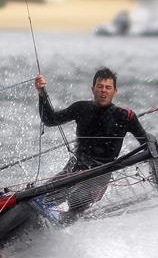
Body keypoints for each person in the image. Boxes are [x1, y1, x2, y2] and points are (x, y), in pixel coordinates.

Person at [34, 68, 147, 210]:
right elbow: (50, 120)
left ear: (115, 91)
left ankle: (63, 224)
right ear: (93, 89)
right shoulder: (81, 108)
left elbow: (147, 145)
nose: (103, 90)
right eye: (100, 87)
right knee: (39, 197)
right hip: (74, 167)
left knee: (76, 199)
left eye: (108, 87)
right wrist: (41, 93)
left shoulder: (126, 116)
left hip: (100, 175)